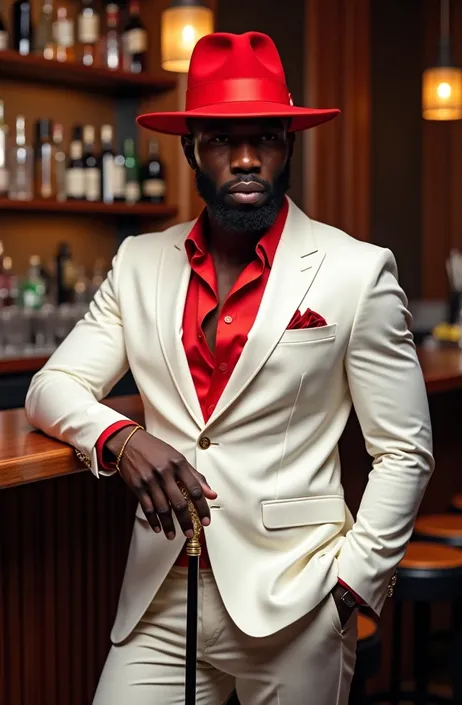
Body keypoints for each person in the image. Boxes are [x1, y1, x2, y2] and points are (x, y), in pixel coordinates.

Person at [25, 31, 434, 705]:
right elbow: (52, 386)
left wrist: (351, 586)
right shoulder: (139, 263)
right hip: (162, 593)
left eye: (265, 137)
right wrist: (119, 438)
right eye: (221, 139)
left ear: (288, 145)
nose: (245, 158)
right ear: (191, 150)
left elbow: (404, 451)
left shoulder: (357, 272)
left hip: (297, 597)